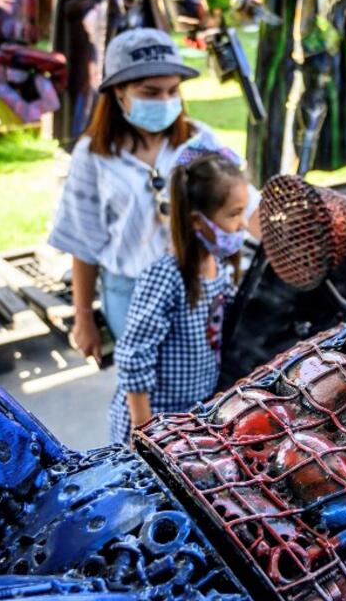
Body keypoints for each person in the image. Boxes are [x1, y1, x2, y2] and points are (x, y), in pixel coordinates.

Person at [48, 27, 225, 364]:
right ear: (119, 92)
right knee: (142, 383)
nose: (165, 101)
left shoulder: (200, 141)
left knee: (201, 380)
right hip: (130, 295)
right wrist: (83, 317)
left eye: (173, 91)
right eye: (151, 93)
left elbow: (240, 202)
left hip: (198, 287)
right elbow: (83, 242)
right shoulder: (93, 156)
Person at [108, 148, 249, 445]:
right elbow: (134, 357)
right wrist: (144, 434)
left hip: (187, 418)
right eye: (234, 214)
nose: (243, 225)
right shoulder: (166, 277)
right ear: (197, 221)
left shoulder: (217, 267)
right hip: (155, 422)